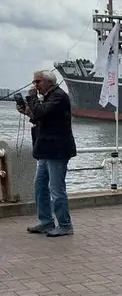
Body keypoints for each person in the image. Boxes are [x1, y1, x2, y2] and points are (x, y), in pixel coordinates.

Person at [18, 70, 77, 237]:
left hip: (57, 150)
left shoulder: (59, 96)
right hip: (45, 150)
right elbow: (41, 117)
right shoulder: (50, 97)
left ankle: (65, 224)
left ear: (49, 82)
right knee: (40, 187)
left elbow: (42, 113)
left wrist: (31, 98)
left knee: (56, 189)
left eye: (38, 81)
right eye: (34, 82)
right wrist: (27, 112)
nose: (35, 85)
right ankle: (46, 222)